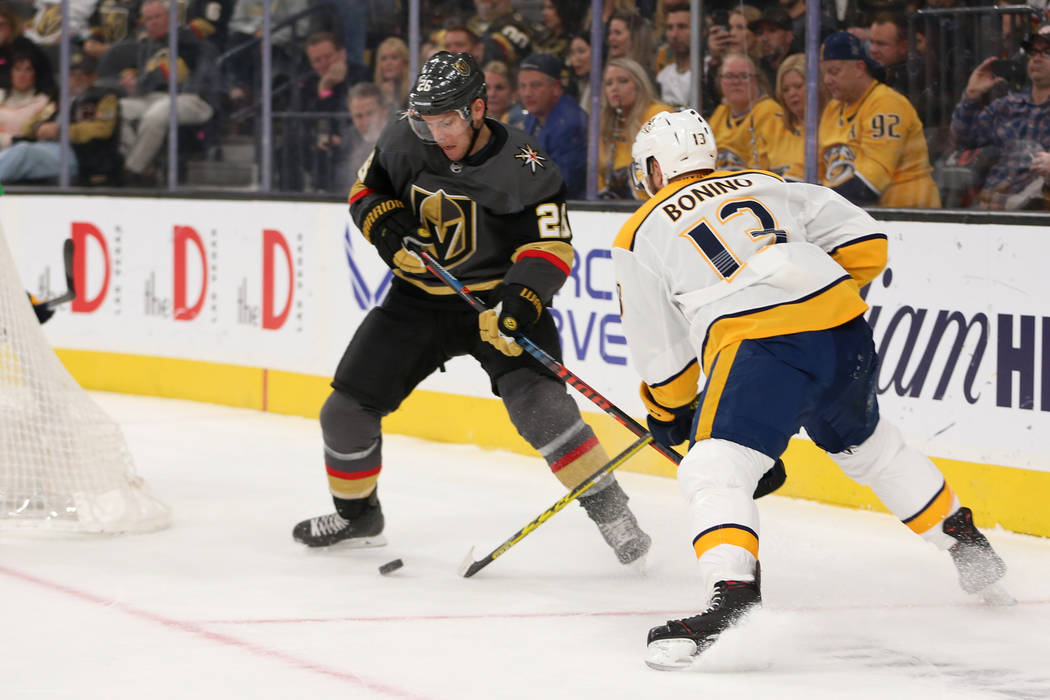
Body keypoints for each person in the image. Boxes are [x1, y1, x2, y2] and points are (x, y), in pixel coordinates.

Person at [614, 108, 1011, 671]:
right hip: (843, 331)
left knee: (712, 468)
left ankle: (734, 601)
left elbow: (661, 352)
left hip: (764, 347)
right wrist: (808, 288)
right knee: (868, 446)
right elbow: (868, 244)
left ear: (654, 169)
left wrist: (668, 412)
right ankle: (964, 542)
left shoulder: (640, 230)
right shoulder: (769, 184)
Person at [292, 51, 652, 569]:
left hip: (496, 302)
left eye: (447, 121)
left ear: (478, 109)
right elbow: (366, 191)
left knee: (546, 413)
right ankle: (358, 517)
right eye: (426, 120)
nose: (436, 134)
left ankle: (615, 515)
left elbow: (551, 248)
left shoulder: (527, 165)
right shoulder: (402, 138)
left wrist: (521, 300)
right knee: (343, 413)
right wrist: (387, 227)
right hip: (416, 301)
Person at [818, 31, 940, 208]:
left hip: (910, 217)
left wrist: (819, 204)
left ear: (860, 68)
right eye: (824, 73)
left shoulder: (886, 104)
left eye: (834, 71)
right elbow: (817, 169)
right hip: (858, 215)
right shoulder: (833, 108)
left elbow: (869, 185)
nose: (827, 80)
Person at [949, 24, 1050, 211]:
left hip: (1036, 218)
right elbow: (962, 140)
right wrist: (971, 96)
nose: (1037, 58)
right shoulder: (1008, 106)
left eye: (1047, 52)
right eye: (1033, 52)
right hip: (990, 211)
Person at [118, 0, 219, 186]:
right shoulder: (147, 46)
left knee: (157, 114)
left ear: (172, 17)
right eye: (148, 19)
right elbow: (143, 78)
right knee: (118, 109)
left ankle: (132, 171)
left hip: (194, 99)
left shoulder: (189, 40)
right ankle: (145, 165)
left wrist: (142, 83)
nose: (153, 23)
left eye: (157, 17)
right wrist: (132, 82)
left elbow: (169, 74)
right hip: (157, 98)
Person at [0, 52, 120, 185]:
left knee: (24, 152)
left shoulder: (104, 98)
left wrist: (62, 131)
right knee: (19, 150)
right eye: (72, 74)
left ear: (93, 77)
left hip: (80, 155)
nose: (77, 78)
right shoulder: (58, 99)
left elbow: (103, 128)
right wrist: (38, 128)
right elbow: (30, 124)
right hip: (48, 149)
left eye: (83, 74)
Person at [597, 57, 669, 199]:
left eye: (623, 81)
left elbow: (666, 173)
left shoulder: (658, 115)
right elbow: (598, 176)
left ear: (639, 85)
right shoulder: (605, 125)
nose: (615, 88)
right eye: (608, 83)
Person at [518, 52, 586, 199]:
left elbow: (563, 183)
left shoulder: (570, 124)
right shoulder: (534, 114)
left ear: (556, 87)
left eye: (535, 85)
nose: (527, 93)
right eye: (522, 86)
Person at [709, 52, 780, 171]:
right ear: (720, 80)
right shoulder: (720, 112)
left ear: (757, 80)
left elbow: (761, 168)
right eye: (729, 76)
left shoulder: (769, 112)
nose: (736, 82)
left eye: (744, 76)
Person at [765, 52, 825, 181]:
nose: (792, 94)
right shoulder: (773, 126)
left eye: (798, 86)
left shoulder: (830, 125)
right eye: (785, 89)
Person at [749, 6, 797, 88]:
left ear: (789, 36)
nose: (764, 38)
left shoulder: (801, 67)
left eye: (772, 30)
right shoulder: (755, 69)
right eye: (759, 33)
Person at [654, 2, 691, 108]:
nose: (674, 35)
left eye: (682, 27)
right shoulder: (663, 76)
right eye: (670, 28)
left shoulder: (707, 70)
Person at [373, 36, 411, 110]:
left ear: (405, 62)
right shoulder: (372, 94)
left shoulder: (414, 93)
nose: (388, 63)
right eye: (384, 58)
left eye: (394, 57)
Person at [566, 31, 591, 110]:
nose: (574, 58)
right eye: (572, 53)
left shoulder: (606, 85)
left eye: (581, 51)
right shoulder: (576, 85)